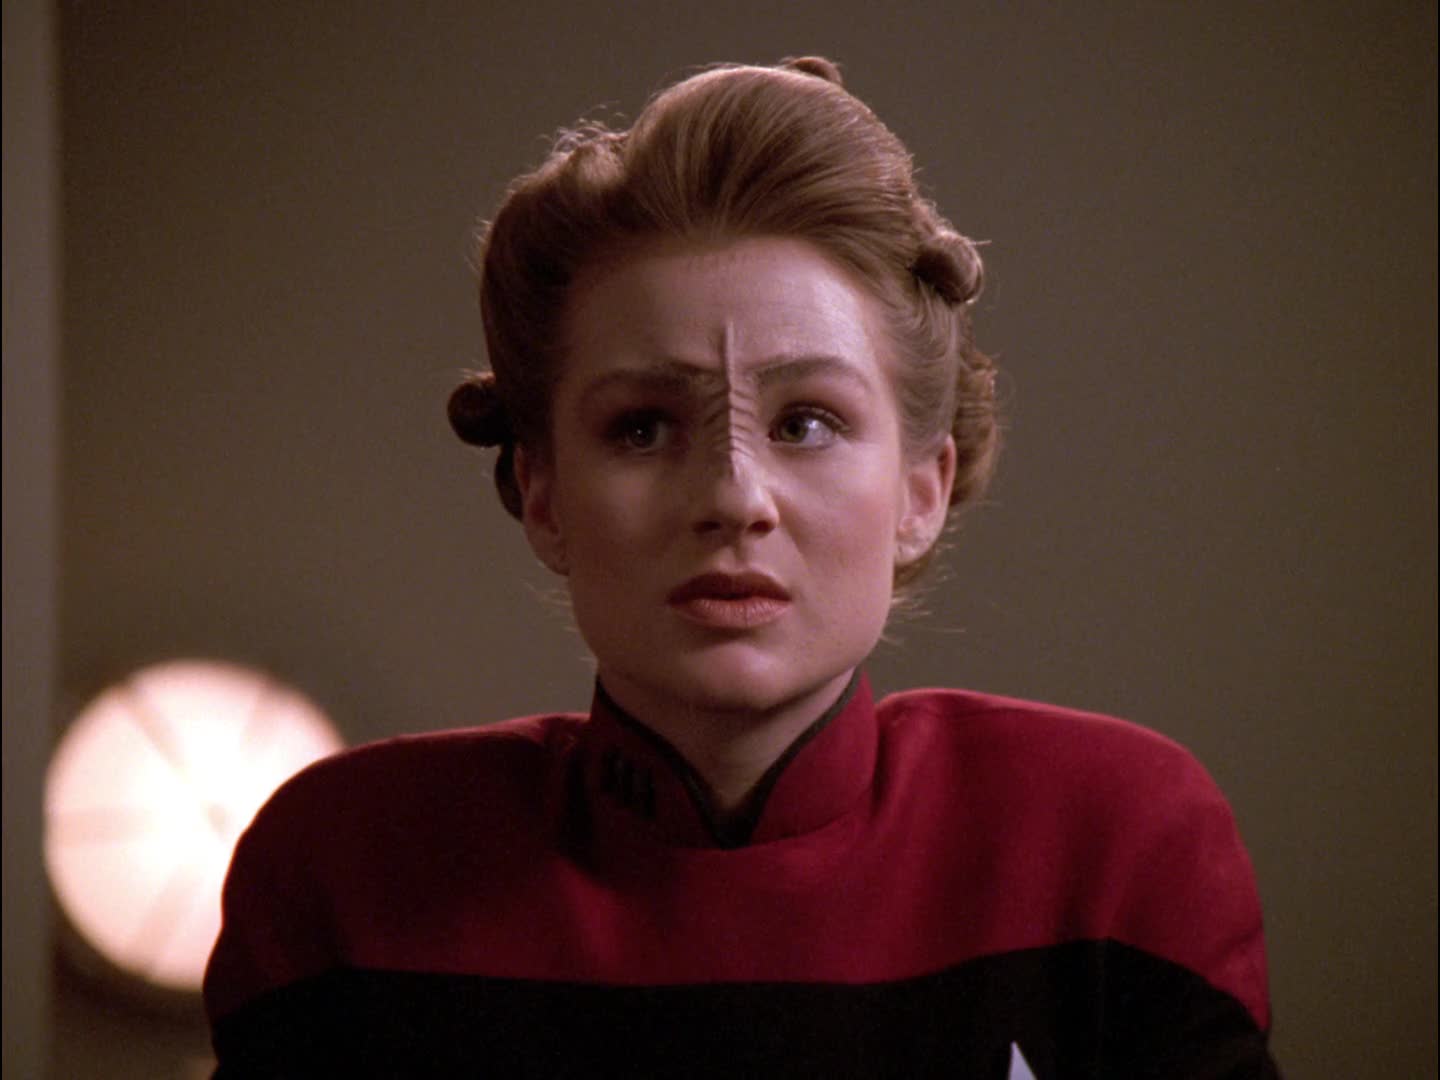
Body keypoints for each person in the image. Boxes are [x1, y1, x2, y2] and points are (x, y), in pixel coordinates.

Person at [203, 57, 1279, 1076]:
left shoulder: (1111, 849)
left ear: (923, 489)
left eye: (808, 422)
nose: (733, 497)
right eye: (641, 428)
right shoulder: (351, 874)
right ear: (543, 494)